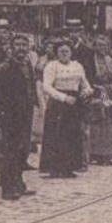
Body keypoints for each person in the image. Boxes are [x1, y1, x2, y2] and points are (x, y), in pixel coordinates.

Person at [0, 35, 39, 199]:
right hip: (10, 115)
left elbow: (31, 86)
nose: (21, 48)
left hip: (26, 113)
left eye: (24, 45)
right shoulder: (5, 67)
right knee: (10, 150)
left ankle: (19, 183)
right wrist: (2, 109)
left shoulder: (27, 64)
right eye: (17, 45)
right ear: (11, 47)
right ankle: (8, 188)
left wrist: (34, 103)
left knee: (22, 150)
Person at [39, 41, 91, 179]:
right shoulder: (52, 66)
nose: (64, 54)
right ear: (56, 53)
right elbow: (47, 87)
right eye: (61, 51)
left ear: (71, 52)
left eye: (67, 51)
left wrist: (86, 91)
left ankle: (69, 167)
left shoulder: (77, 66)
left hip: (74, 103)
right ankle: (54, 168)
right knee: (56, 134)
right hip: (57, 103)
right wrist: (63, 97)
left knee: (72, 134)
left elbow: (85, 84)